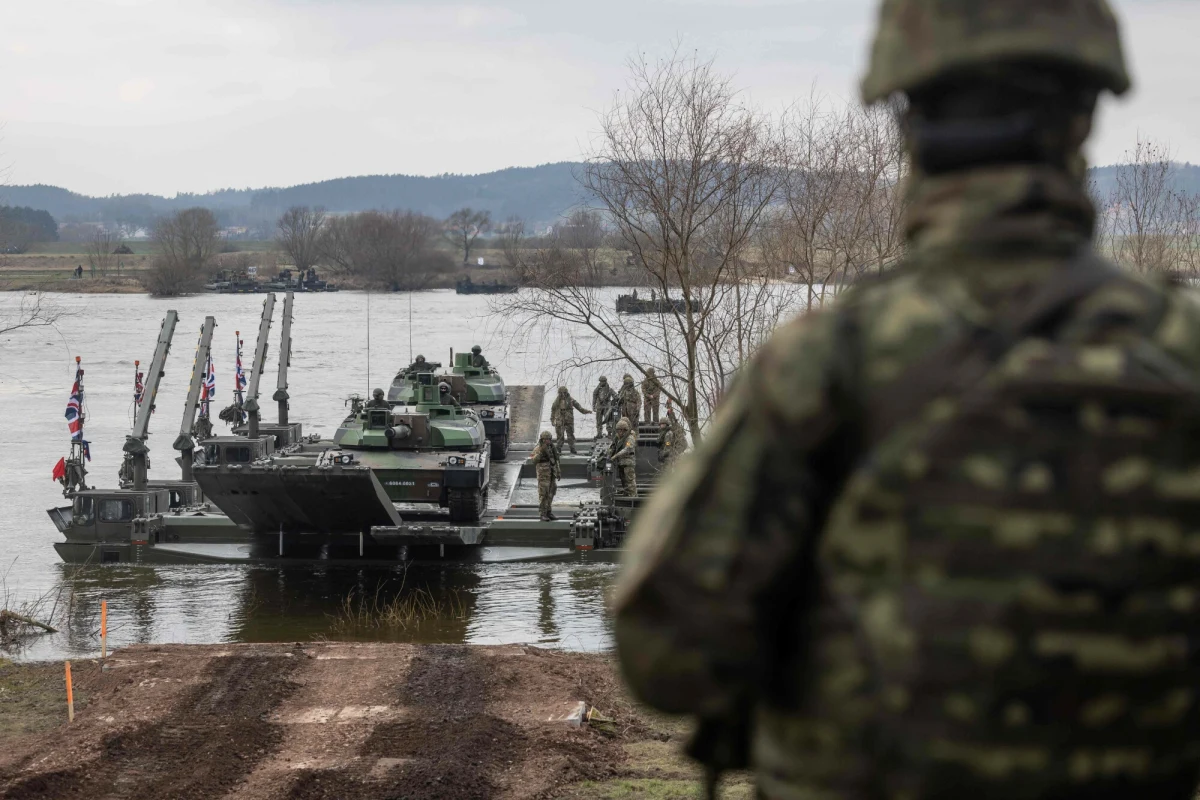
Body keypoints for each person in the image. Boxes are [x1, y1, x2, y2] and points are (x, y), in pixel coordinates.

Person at [614, 3, 1200, 798]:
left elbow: (667, 655)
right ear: (1083, 118)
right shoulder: (1183, 352)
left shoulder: (830, 357)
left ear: (907, 123)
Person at [550, 386, 592, 454]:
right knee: (560, 435)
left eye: (564, 393)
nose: (563, 394)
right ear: (559, 393)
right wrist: (552, 420)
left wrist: (586, 411)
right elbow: (553, 410)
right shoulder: (556, 401)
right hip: (559, 420)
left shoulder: (571, 400)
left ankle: (572, 448)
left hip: (568, 419)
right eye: (561, 393)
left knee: (570, 435)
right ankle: (558, 449)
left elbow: (579, 407)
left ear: (566, 393)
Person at [530, 430, 561, 522]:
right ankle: (542, 514)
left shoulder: (551, 448)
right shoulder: (538, 449)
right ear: (543, 440)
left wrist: (558, 471)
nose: (549, 441)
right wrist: (541, 452)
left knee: (551, 492)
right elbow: (534, 460)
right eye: (547, 439)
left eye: (550, 439)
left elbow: (555, 459)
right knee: (543, 494)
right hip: (543, 475)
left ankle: (548, 512)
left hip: (551, 473)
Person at [607, 418, 637, 498]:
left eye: (621, 430)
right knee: (623, 480)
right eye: (618, 430)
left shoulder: (630, 438)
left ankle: (633, 496)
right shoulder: (618, 437)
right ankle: (627, 494)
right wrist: (609, 453)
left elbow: (627, 449)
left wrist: (615, 456)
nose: (619, 432)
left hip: (628, 462)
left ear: (624, 430)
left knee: (630, 480)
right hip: (621, 462)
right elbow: (613, 446)